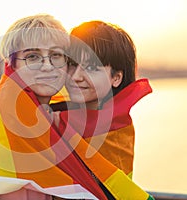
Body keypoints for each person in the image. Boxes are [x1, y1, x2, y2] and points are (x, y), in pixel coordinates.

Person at [0, 14, 108, 200]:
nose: (47, 66)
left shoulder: (56, 117)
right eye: (32, 57)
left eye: (56, 55)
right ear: (11, 64)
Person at [52, 21, 154, 199]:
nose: (75, 77)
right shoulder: (50, 114)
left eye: (91, 68)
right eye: (72, 64)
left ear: (116, 77)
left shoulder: (115, 131)